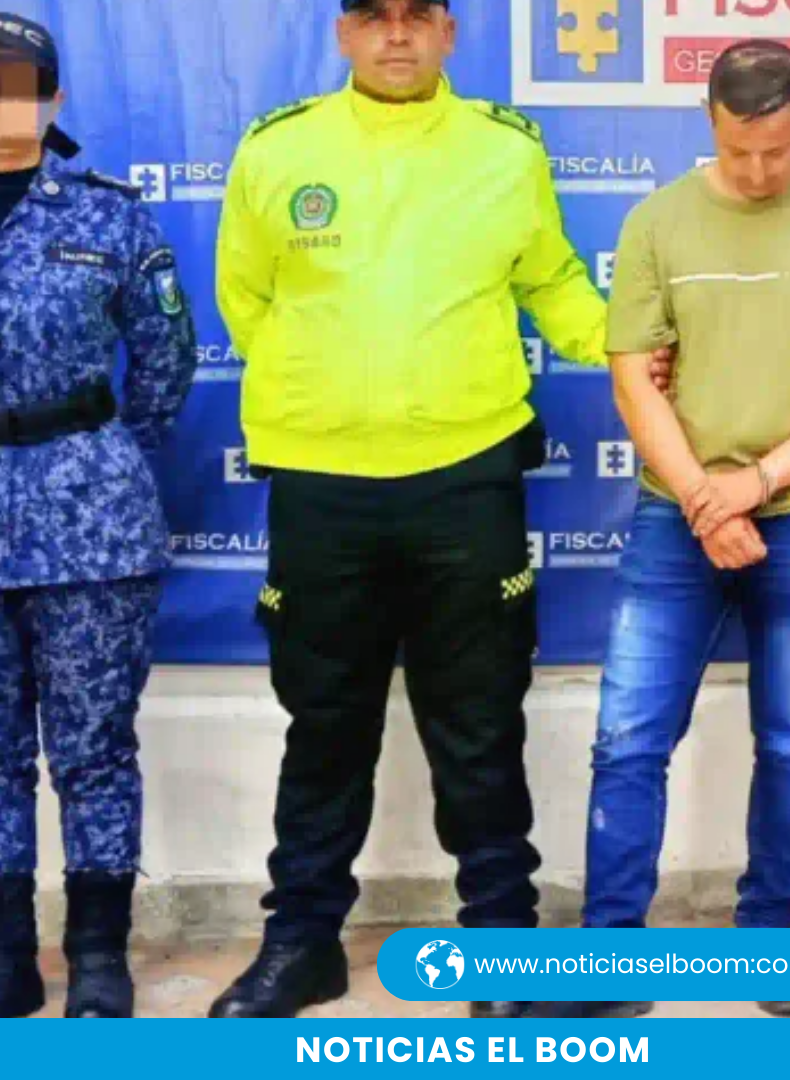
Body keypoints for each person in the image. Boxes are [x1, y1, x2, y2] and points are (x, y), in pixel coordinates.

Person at [207, 0, 608, 1019]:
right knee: (324, 722)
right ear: (344, 34)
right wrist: (334, 396)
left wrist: (639, 348)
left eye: (418, 15)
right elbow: (246, 301)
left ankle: (502, 945)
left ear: (448, 33)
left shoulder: (505, 150)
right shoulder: (278, 149)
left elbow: (555, 282)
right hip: (322, 486)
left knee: (479, 721)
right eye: (375, 16)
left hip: (464, 481)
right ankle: (301, 943)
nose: (397, 35)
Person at [527, 40, 790, 1022]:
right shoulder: (658, 221)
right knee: (627, 740)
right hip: (677, 515)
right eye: (740, 151)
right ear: (710, 123)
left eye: (777, 150)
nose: (760, 170)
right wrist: (705, 498)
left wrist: (759, 483)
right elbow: (634, 380)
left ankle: (769, 943)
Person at [0, 12, 197, 1019]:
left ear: (53, 98)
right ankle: (7, 956)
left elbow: (166, 360)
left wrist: (106, 461)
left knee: (92, 752)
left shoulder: (109, 217)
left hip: (89, 526)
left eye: (17, 80)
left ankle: (98, 956)